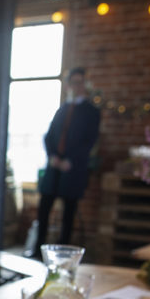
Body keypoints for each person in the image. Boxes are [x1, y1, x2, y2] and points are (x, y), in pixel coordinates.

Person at [36, 67, 101, 249]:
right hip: (54, 167)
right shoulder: (62, 109)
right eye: (73, 83)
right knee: (44, 208)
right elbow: (49, 136)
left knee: (68, 214)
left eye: (80, 82)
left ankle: (63, 251)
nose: (76, 86)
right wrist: (53, 157)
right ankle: (37, 248)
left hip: (73, 169)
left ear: (85, 85)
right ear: (68, 86)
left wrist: (70, 161)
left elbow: (89, 141)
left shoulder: (91, 111)